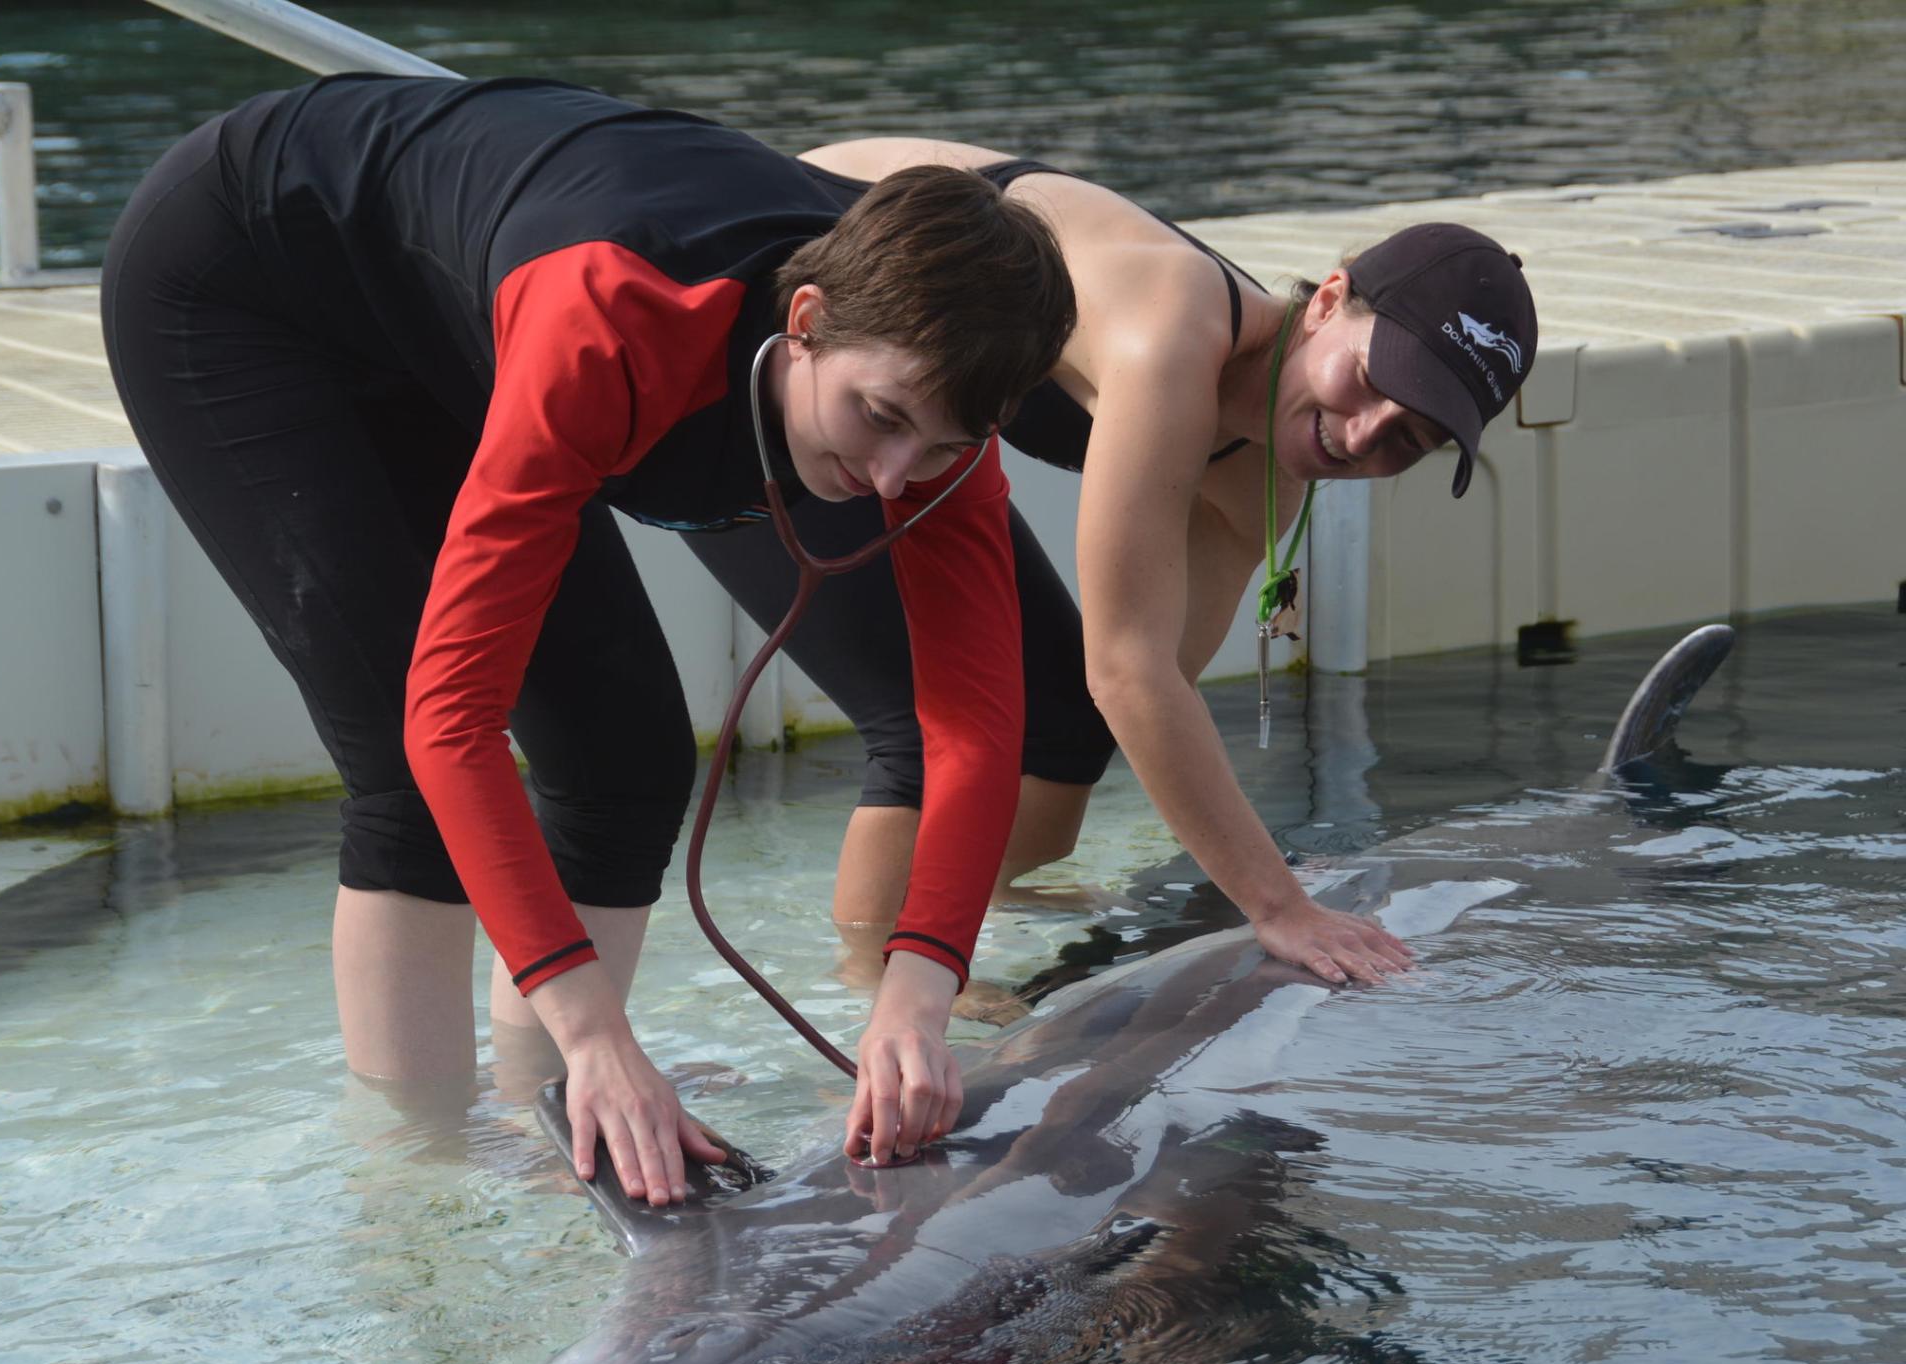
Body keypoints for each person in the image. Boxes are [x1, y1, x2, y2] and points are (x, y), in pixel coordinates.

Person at [101, 79, 1075, 1205]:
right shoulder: (615, 318)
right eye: (880, 421)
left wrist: (917, 994)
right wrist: (601, 1038)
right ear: (806, 322)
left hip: (448, 309)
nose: (895, 480)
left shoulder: (940, 407)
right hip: (247, 273)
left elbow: (972, 726)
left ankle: (550, 1120)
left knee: (623, 756)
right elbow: (452, 721)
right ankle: (422, 1186)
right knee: (402, 769)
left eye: (944, 448)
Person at [685, 140, 1539, 991]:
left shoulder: (1269, 471)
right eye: (1366, 378)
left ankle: (962, 917)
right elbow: (1127, 674)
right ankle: (865, 992)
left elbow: (1152, 693)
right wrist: (1277, 906)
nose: (1361, 437)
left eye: (1408, 439)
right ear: (1327, 301)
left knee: (1064, 731)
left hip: (901, 401)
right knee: (916, 723)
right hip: (785, 347)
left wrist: (1258, 878)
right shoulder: (1171, 328)